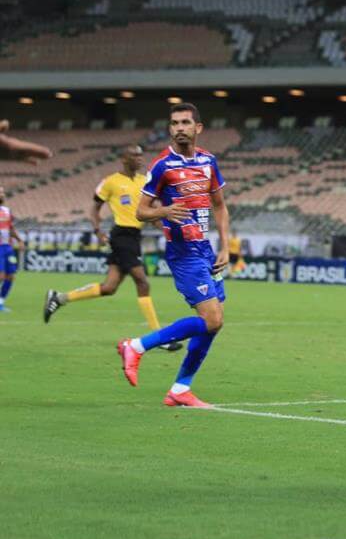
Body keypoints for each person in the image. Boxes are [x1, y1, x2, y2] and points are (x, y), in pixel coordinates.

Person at [115, 103, 231, 407]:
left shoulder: (209, 161)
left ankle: (180, 389)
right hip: (183, 254)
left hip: (207, 251)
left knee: (214, 323)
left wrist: (225, 245)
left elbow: (219, 205)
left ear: (198, 128)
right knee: (212, 319)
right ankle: (137, 345)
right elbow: (140, 211)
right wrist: (165, 210)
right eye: (174, 123)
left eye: (185, 122)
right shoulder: (162, 166)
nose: (179, 127)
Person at [42, 145, 182, 351]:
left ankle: (59, 298)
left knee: (109, 287)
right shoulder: (111, 182)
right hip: (121, 236)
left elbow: (149, 212)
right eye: (135, 155)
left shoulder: (145, 181)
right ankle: (159, 337)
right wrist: (97, 230)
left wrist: (166, 229)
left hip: (134, 237)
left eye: (141, 155)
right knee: (142, 282)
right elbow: (95, 208)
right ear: (124, 158)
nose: (140, 159)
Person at [0, 186, 23, 312]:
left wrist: (19, 240)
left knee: (10, 276)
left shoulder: (7, 211)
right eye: (0, 193)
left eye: (3, 192)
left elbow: (11, 228)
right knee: (1, 276)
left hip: (7, 247)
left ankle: (0, 302)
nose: (2, 195)